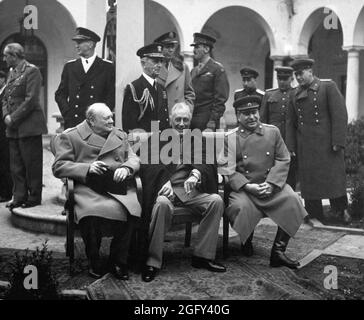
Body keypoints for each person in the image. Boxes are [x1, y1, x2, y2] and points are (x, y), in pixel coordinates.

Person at [138, 102, 226, 282]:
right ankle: (152, 262)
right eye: (177, 119)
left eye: (185, 119)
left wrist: (196, 173)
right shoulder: (158, 138)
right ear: (170, 119)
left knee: (216, 201)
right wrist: (166, 181)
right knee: (161, 204)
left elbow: (208, 162)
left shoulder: (198, 138)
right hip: (166, 193)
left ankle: (202, 256)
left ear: (190, 119)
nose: (181, 124)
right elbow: (146, 166)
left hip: (190, 193)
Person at [52, 103, 141, 279]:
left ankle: (118, 260)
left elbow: (133, 158)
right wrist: (87, 168)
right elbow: (59, 166)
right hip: (88, 187)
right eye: (106, 118)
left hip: (116, 186)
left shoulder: (119, 134)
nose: (112, 120)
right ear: (91, 121)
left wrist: (127, 168)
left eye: (111, 117)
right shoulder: (71, 136)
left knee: (132, 209)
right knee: (92, 212)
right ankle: (95, 260)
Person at [219, 95, 307, 269]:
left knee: (293, 200)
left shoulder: (272, 132)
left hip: (271, 186)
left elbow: (284, 158)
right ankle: (247, 240)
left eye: (254, 112)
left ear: (259, 113)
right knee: (240, 208)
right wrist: (247, 186)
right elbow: (226, 168)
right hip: (245, 188)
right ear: (238, 116)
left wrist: (272, 183)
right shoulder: (230, 137)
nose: (252, 117)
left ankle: (278, 252)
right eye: (246, 114)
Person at [286, 58, 351, 224]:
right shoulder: (294, 94)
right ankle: (314, 213)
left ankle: (340, 211)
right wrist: (291, 146)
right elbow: (291, 123)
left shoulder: (327, 87)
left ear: (310, 71)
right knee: (309, 181)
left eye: (301, 73)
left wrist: (338, 141)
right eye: (296, 75)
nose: (298, 78)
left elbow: (339, 114)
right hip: (305, 146)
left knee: (334, 179)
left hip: (328, 145)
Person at [2, 43, 47, 209]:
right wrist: (6, 115)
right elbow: (6, 97)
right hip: (13, 127)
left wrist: (13, 118)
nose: (4, 59)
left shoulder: (32, 71)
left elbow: (31, 100)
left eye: (6, 55)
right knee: (16, 165)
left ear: (14, 55)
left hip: (29, 126)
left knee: (31, 163)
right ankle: (19, 196)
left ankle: (34, 197)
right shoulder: (12, 72)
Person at [55, 27, 115, 129]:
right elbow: (60, 94)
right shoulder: (70, 67)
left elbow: (111, 95)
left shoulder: (107, 67)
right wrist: (67, 114)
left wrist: (102, 116)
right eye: (76, 42)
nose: (76, 46)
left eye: (80, 42)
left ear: (91, 44)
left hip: (97, 124)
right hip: (74, 123)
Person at [260, 66, 297, 189]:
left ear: (291, 78)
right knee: (273, 170)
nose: (282, 82)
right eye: (279, 79)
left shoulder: (296, 94)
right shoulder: (269, 94)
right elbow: (263, 120)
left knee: (291, 172)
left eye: (285, 79)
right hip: (273, 140)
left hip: (291, 140)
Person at [122, 43, 170, 133]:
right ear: (143, 63)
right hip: (144, 142)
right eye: (155, 61)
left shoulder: (161, 88)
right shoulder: (134, 88)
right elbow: (129, 124)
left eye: (161, 61)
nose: (159, 65)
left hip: (162, 142)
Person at [190, 33, 229, 131]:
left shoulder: (217, 69)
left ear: (206, 49)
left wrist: (212, 121)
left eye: (197, 47)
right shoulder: (193, 71)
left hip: (207, 121)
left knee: (206, 146)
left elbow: (220, 99)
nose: (194, 50)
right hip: (192, 120)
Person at [153, 31, 195, 114]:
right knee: (154, 127)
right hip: (157, 117)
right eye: (167, 47)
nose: (171, 50)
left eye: (172, 47)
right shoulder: (153, 68)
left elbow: (189, 93)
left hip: (179, 117)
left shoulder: (182, 67)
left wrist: (187, 110)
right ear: (159, 49)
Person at [0, 70, 13, 202]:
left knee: (5, 162)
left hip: (5, 133)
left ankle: (6, 193)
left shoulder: (7, 92)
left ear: (3, 79)